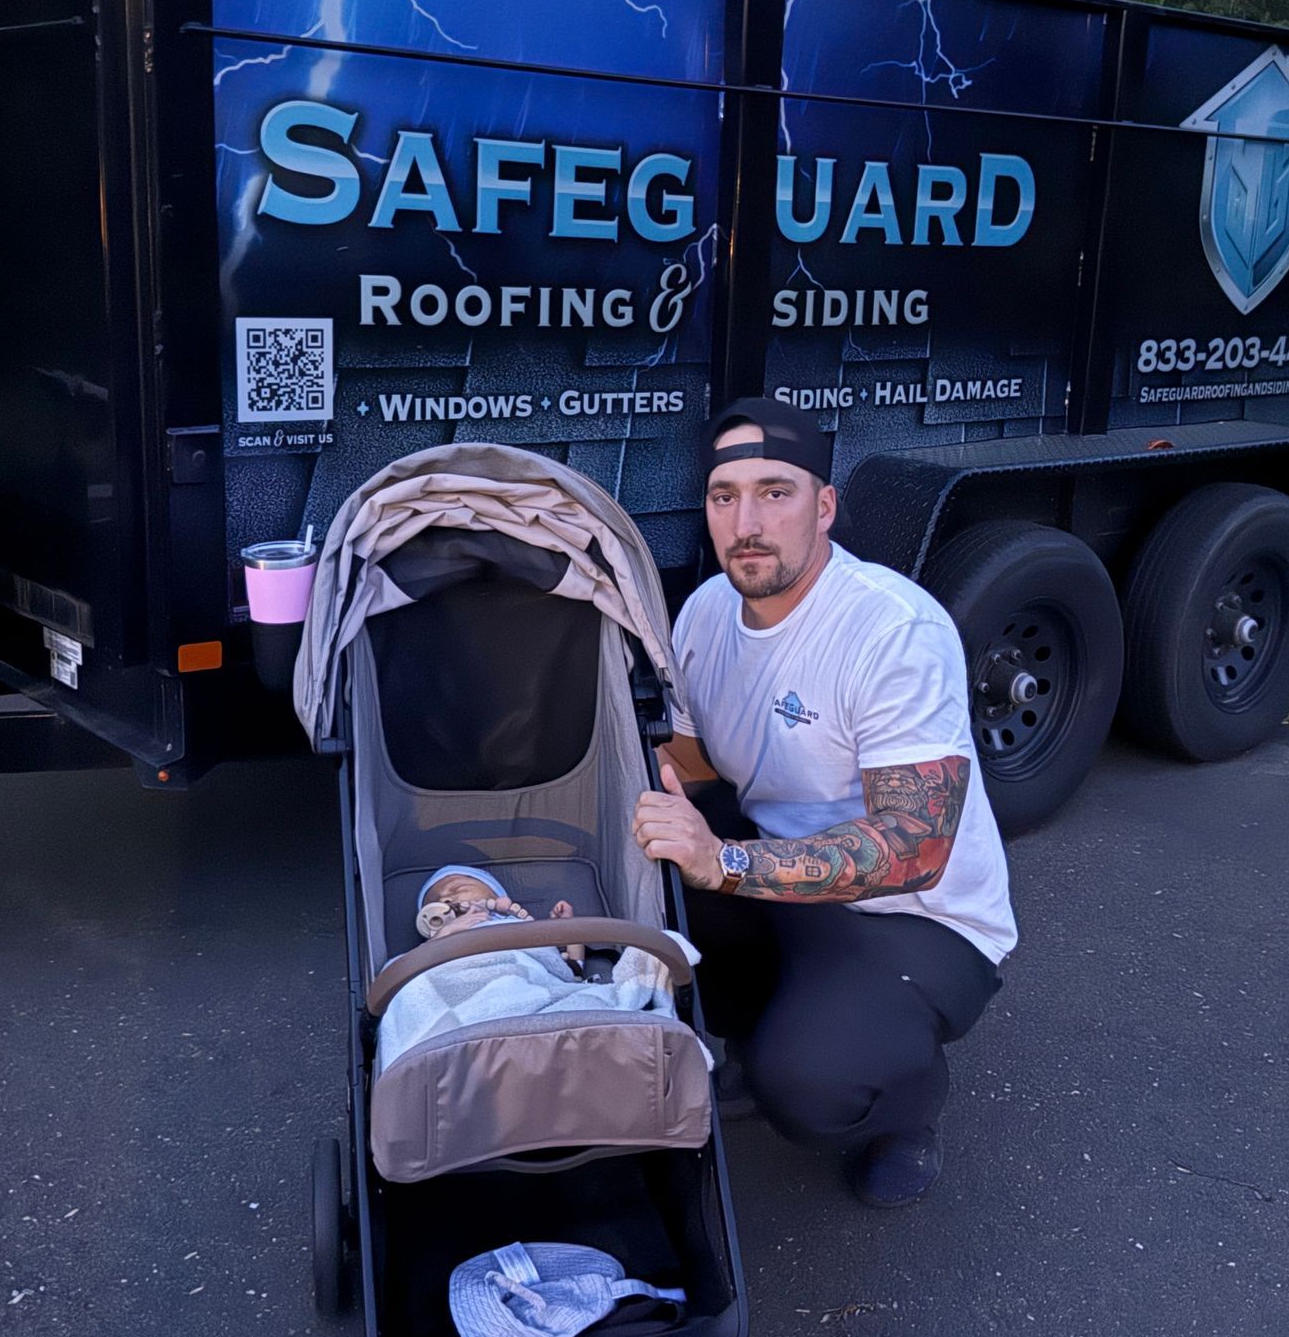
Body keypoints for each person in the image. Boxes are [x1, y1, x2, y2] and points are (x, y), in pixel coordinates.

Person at [632, 397, 1015, 1207]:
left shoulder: (892, 630)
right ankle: (753, 1039)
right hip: (787, 876)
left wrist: (723, 860)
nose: (747, 522)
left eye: (776, 492)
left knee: (810, 1080)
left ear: (825, 506)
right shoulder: (705, 611)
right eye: (724, 496)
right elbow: (701, 757)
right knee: (650, 857)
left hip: (922, 919)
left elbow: (912, 844)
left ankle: (905, 1105)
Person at [377, 865, 688, 1067]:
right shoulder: (431, 944)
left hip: (519, 981)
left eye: (462, 886)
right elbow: (404, 980)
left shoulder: (517, 927)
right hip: (452, 983)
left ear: (498, 897)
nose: (449, 894)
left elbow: (569, 971)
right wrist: (442, 940)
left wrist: (570, 932)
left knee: (581, 995)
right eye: (438, 897)